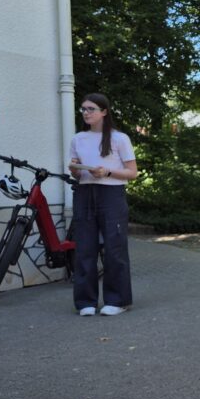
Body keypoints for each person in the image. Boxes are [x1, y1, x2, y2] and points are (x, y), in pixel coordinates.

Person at [69, 93, 137, 317]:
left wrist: (107, 171)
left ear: (104, 112)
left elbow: (132, 173)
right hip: (85, 192)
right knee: (84, 248)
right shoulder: (78, 138)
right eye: (83, 109)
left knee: (114, 248)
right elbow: (76, 173)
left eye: (91, 109)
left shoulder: (119, 139)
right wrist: (75, 170)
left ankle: (118, 300)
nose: (86, 113)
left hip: (111, 194)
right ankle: (85, 301)